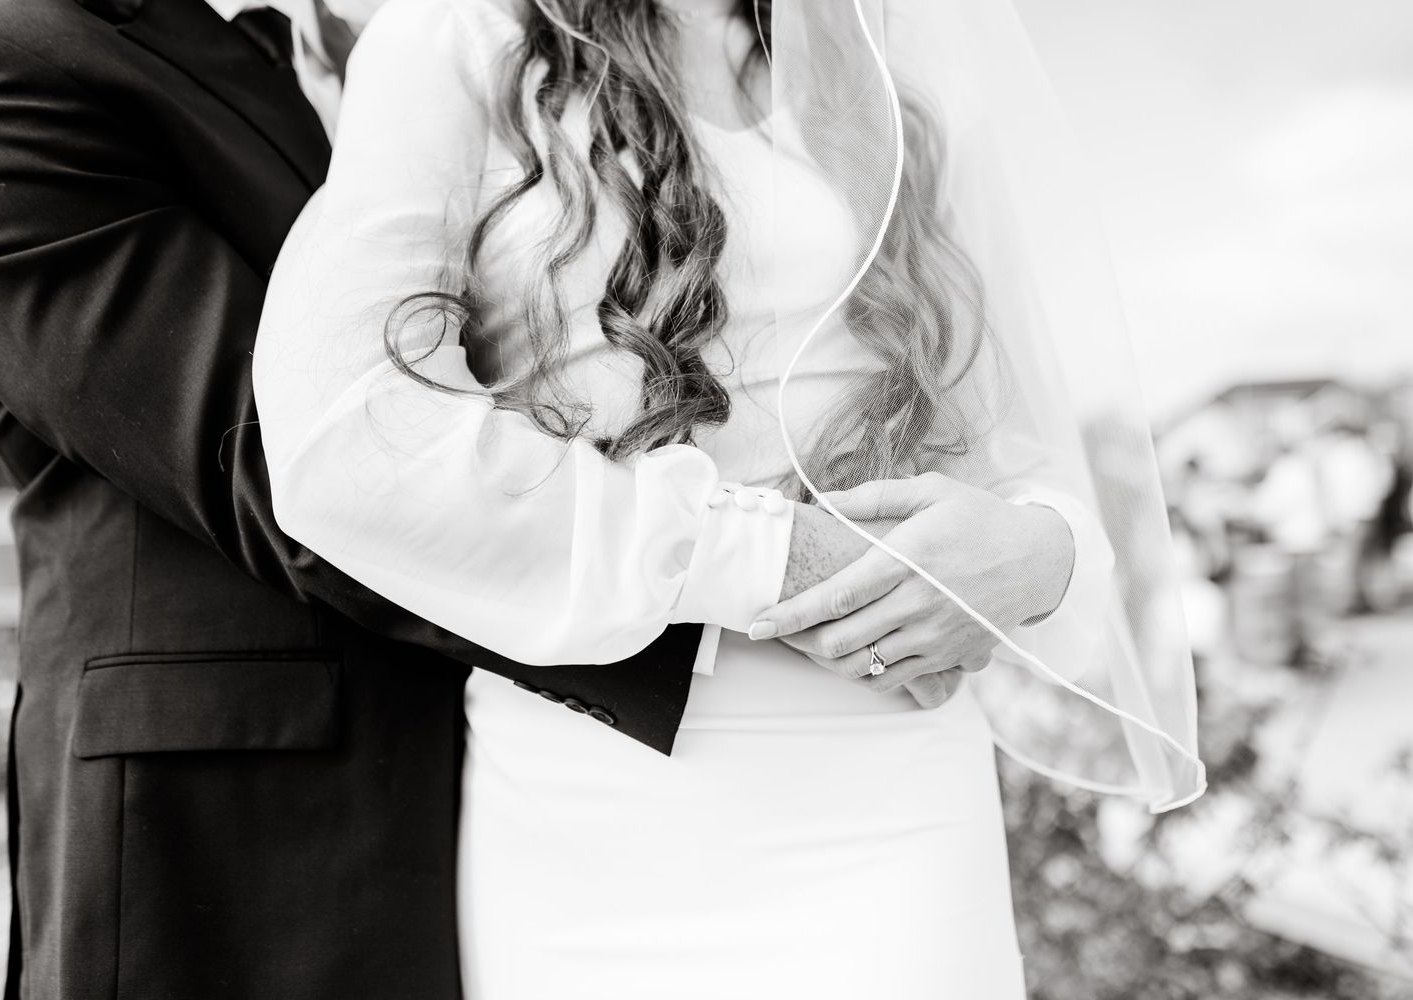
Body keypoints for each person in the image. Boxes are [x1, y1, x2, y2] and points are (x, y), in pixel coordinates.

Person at [0, 0, 903, 996]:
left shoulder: (483, 41)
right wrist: (781, 566)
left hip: (550, 797)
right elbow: (280, 466)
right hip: (251, 838)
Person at [252, 0, 1176, 996]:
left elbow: (1012, 445)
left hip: (892, 794)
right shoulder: (463, 40)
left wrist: (1044, 553)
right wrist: (770, 551)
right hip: (591, 806)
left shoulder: (876, 65)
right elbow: (343, 436)